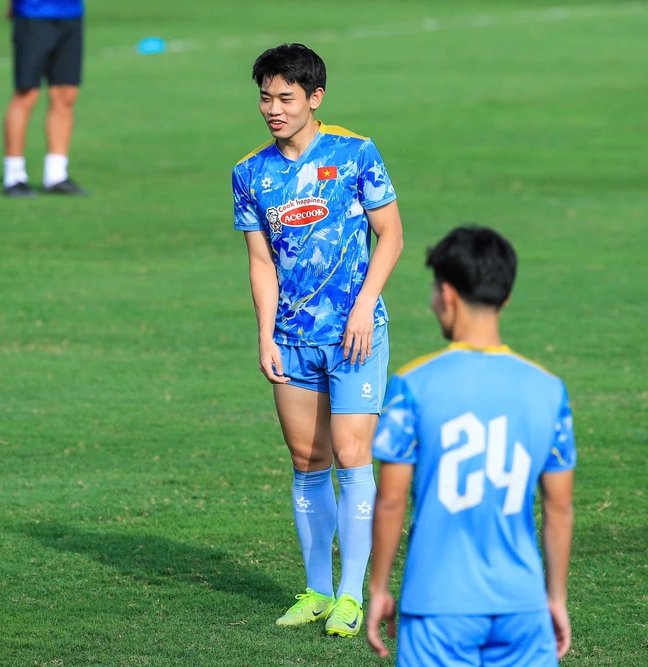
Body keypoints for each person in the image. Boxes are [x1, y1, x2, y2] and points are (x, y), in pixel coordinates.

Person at [232, 43, 404, 637]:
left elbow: (391, 236)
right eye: (265, 98)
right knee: (308, 461)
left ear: (315, 97)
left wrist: (364, 309)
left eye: (285, 98)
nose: (273, 109)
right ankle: (316, 591)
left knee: (353, 457)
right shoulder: (249, 173)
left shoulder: (355, 153)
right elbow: (260, 261)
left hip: (355, 336)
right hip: (292, 339)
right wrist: (265, 335)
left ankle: (352, 596)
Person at [365, 226, 576, 666]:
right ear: (505, 297)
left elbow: (390, 500)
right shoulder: (548, 390)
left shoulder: (412, 385)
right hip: (522, 606)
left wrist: (380, 588)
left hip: (437, 605)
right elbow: (558, 508)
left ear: (446, 294)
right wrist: (554, 598)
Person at [2, 0, 87, 197]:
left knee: (66, 94)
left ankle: (56, 175)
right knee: (27, 93)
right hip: (34, 13)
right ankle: (14, 177)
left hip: (72, 13)